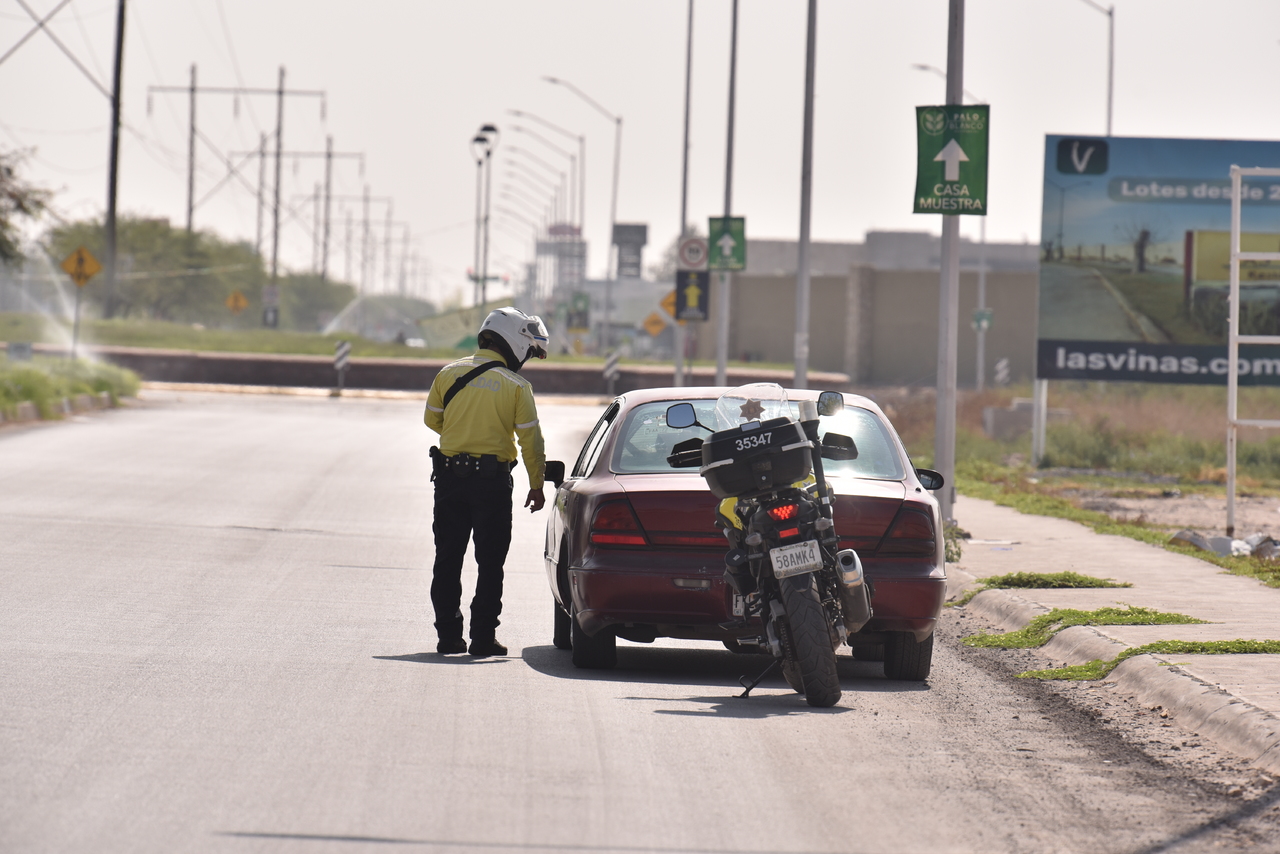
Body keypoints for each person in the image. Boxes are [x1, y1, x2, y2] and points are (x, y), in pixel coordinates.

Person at [424, 307, 549, 657]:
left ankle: (448, 636)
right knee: (490, 563)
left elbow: (432, 420)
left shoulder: (447, 374)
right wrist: (537, 483)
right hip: (491, 484)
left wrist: (461, 433)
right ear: (513, 342)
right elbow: (531, 442)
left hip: (449, 479)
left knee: (447, 558)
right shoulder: (517, 386)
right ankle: (482, 638)